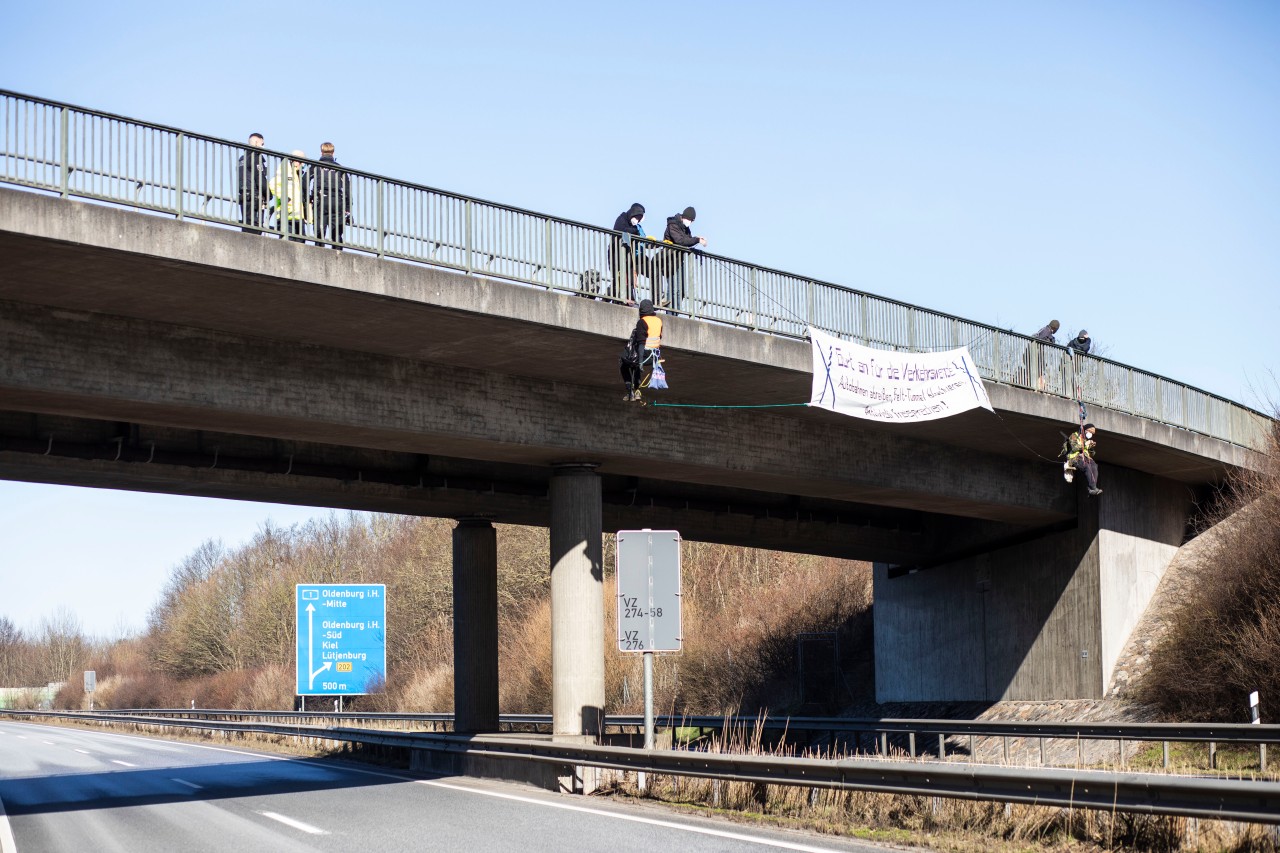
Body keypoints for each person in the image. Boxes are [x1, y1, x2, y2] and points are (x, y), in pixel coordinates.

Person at [661, 206, 707, 308]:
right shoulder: (672, 225)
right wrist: (697, 240)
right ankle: (670, 313)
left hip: (678, 261)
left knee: (680, 290)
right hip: (670, 260)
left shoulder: (686, 229)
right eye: (690, 220)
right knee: (673, 288)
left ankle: (676, 312)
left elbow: (688, 240)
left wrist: (697, 239)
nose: (690, 222)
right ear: (684, 217)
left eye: (692, 221)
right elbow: (680, 241)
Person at [309, 142, 351, 250]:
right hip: (337, 202)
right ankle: (338, 257)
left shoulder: (316, 166)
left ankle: (319, 254)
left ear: (321, 152)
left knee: (319, 234)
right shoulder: (340, 168)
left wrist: (308, 198)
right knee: (336, 235)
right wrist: (347, 209)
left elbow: (305, 181)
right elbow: (347, 190)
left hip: (321, 201)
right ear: (333, 153)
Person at [618, 299, 662, 402]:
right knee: (635, 363)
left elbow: (641, 344)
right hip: (654, 356)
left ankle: (630, 391)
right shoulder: (659, 321)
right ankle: (637, 391)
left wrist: (641, 361)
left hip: (645, 355)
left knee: (624, 361)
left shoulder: (642, 322)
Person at [609, 203, 647, 304]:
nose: (637, 221)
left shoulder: (634, 226)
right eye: (637, 218)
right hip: (615, 255)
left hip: (628, 256)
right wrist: (634, 232)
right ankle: (611, 297)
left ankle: (629, 300)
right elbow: (621, 231)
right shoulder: (621, 219)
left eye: (639, 219)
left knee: (629, 279)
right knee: (618, 279)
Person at [270, 150, 310, 242]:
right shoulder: (285, 170)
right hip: (286, 216)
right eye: (302, 162)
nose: (302, 165)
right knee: (287, 245)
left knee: (301, 246)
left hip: (299, 217)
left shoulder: (298, 175)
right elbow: (273, 184)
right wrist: (284, 198)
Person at [236, 133, 269, 233]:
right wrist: (268, 194)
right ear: (256, 142)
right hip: (254, 198)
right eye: (262, 144)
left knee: (247, 227)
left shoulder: (242, 159)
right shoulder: (255, 157)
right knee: (255, 228)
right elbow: (260, 179)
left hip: (244, 197)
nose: (263, 147)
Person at [1064, 422, 1102, 496]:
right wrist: (1085, 444)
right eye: (1090, 432)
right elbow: (1074, 448)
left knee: (1094, 466)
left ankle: (1093, 487)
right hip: (1075, 458)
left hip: (1086, 458)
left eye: (1092, 433)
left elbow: (1093, 453)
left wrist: (1091, 447)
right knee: (1087, 467)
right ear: (1085, 430)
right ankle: (1092, 488)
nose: (1090, 434)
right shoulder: (1074, 436)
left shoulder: (1086, 440)